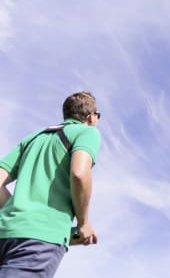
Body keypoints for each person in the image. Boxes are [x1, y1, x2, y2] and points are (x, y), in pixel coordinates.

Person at [0, 91, 101, 277]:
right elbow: (79, 173)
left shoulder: (33, 138)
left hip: (4, 230)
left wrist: (20, 214)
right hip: (38, 239)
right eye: (98, 115)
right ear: (90, 116)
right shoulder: (88, 132)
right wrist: (83, 223)